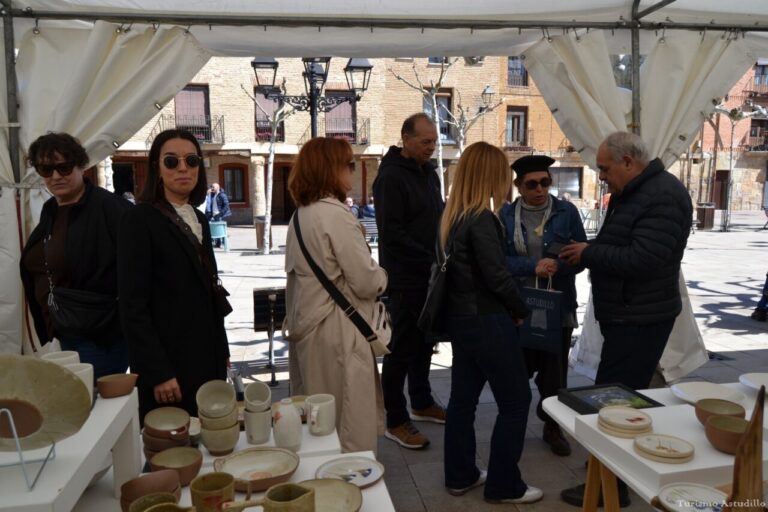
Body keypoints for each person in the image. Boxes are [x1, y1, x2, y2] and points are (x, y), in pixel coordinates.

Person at [559, 132, 693, 507]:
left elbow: (643, 258)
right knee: (616, 397)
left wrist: (589, 253)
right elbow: (622, 244)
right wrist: (591, 250)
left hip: (640, 318)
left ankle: (610, 488)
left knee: (614, 403)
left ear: (628, 162)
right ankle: (608, 472)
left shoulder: (663, 195)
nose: (601, 176)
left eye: (604, 169)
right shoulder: (635, 192)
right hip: (628, 314)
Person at [441, 142, 541, 504]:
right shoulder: (482, 219)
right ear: (490, 175)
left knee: (462, 400)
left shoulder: (454, 217)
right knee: (516, 401)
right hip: (487, 320)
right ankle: (504, 485)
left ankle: (460, 475)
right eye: (503, 173)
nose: (508, 182)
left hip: (462, 320)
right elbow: (497, 277)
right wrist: (520, 309)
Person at [283, 137, 388, 453]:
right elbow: (366, 281)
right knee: (349, 425)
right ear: (330, 169)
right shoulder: (336, 215)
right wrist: (383, 276)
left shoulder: (299, 216)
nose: (352, 171)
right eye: (349, 164)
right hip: (339, 332)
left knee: (321, 423)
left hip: (311, 329)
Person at [118, 129, 230, 421]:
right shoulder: (139, 219)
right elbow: (132, 306)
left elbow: (210, 289)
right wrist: (157, 372)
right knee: (174, 442)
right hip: (169, 364)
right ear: (157, 168)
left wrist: (222, 350)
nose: (183, 168)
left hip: (206, 356)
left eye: (191, 160)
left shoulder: (199, 218)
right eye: (171, 161)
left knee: (211, 434)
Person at [20, 133, 131, 380]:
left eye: (64, 167)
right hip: (62, 329)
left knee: (91, 399)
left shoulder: (111, 208)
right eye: (46, 169)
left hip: (100, 336)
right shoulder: (51, 209)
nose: (56, 176)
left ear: (81, 165)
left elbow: (139, 268)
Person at [499, 155, 587, 457]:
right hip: (520, 307)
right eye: (532, 184)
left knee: (555, 375)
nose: (540, 190)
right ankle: (514, 423)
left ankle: (552, 425)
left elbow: (581, 256)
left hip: (556, 307)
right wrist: (532, 266)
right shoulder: (505, 216)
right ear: (519, 186)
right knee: (517, 371)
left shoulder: (566, 212)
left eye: (545, 183)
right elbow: (499, 261)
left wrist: (558, 266)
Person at [373, 113, 445, 449]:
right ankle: (395, 419)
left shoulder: (430, 173)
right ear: (406, 139)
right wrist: (430, 257)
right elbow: (391, 234)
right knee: (400, 350)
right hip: (404, 279)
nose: (432, 147)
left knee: (424, 343)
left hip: (430, 276)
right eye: (425, 141)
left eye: (434, 141)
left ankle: (421, 401)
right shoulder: (390, 177)